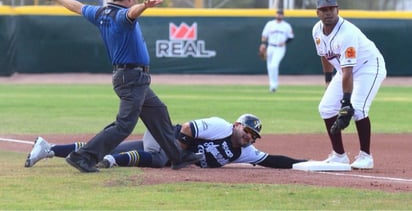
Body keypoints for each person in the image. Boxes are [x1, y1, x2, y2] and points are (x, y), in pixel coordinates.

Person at [38, 0, 202, 172]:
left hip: (131, 78)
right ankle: (83, 156)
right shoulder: (122, 15)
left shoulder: (100, 13)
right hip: (131, 77)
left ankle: (177, 156)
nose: (135, 2)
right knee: (124, 126)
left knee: (158, 112)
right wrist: (144, 7)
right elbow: (131, 13)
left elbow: (78, 7)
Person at [25, 114, 307, 169]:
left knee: (101, 147)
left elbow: (272, 161)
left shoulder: (243, 153)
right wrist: (179, 152)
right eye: (246, 130)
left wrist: (307, 164)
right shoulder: (221, 126)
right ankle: (112, 162)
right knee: (161, 159)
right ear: (236, 125)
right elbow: (186, 127)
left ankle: (47, 149)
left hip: (159, 142)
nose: (248, 136)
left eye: (253, 135)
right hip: (164, 136)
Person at [312, 0, 387, 169]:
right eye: (324, 10)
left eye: (331, 9)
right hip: (343, 70)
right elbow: (324, 55)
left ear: (338, 10)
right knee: (326, 107)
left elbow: (348, 71)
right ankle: (339, 156)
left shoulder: (347, 33)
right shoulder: (316, 30)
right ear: (317, 12)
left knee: (358, 108)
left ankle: (366, 156)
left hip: (369, 67)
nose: (328, 13)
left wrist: (346, 101)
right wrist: (328, 81)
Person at [258, 9, 294, 92]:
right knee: (269, 67)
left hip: (280, 48)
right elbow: (264, 35)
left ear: (283, 16)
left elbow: (291, 37)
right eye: (278, 14)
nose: (279, 15)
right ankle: (272, 86)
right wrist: (263, 44)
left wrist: (284, 42)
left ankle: (274, 85)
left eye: (281, 14)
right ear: (276, 15)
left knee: (274, 65)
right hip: (270, 46)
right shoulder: (270, 24)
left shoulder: (286, 26)